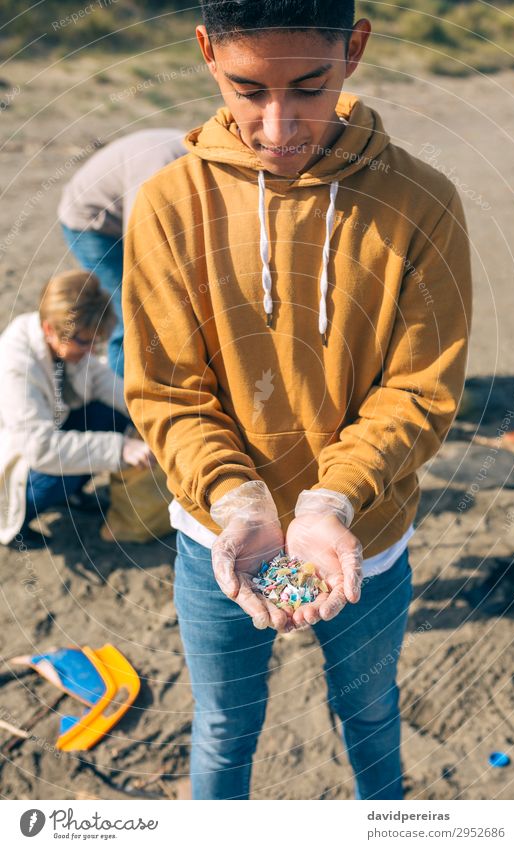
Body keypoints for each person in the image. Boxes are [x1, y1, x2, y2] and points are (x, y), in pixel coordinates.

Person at [122, 0, 473, 800]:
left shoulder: (422, 201)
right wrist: (236, 495)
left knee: (371, 713)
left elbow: (418, 390)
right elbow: (167, 388)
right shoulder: (169, 205)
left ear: (353, 50)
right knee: (221, 727)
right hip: (221, 537)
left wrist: (331, 500)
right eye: (248, 92)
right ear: (206, 51)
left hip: (361, 542)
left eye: (307, 90)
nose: (277, 126)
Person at [0, 270, 155, 550]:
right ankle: (15, 527)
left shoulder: (66, 340)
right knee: (54, 474)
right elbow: (41, 448)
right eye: (84, 342)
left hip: (55, 428)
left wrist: (150, 416)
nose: (93, 351)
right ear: (49, 330)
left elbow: (102, 381)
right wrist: (121, 448)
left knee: (113, 416)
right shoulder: (16, 365)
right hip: (21, 455)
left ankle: (69, 492)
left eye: (96, 342)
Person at [58, 129, 188, 377]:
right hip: (90, 222)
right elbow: (141, 242)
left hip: (118, 210)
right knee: (130, 314)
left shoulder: (200, 161)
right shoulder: (159, 170)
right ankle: (123, 401)